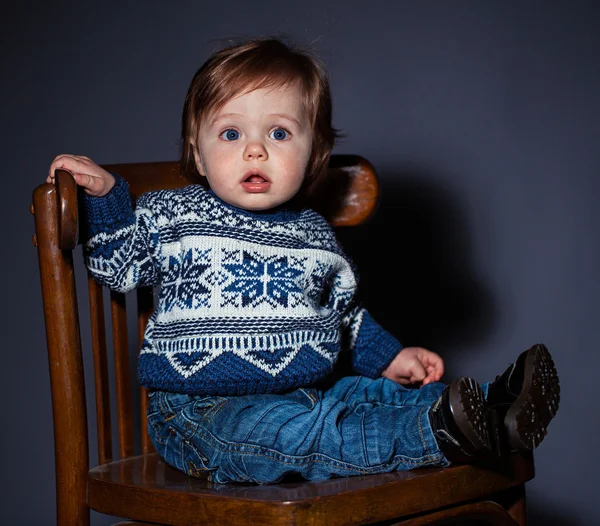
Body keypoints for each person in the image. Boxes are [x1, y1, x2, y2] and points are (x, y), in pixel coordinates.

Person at [47, 37, 560, 484]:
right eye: (231, 134)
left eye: (278, 133)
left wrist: (392, 358)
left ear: (313, 153)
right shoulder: (173, 214)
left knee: (367, 398)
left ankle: (497, 406)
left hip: (308, 390)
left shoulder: (314, 233)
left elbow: (342, 319)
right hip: (202, 415)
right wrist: (110, 197)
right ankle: (443, 433)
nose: (255, 151)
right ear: (198, 154)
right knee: (304, 434)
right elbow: (118, 265)